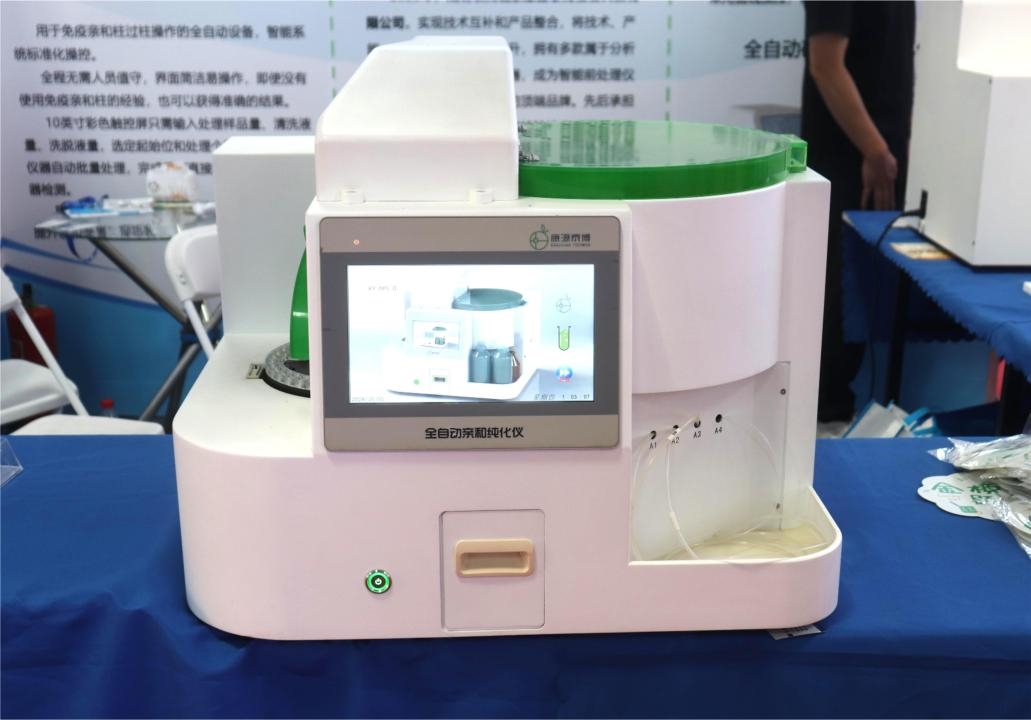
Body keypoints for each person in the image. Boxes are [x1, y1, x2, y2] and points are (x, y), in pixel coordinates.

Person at [800, 0, 915, 422]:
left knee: (865, 294)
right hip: (851, 161)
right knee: (837, 294)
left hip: (882, 158)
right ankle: (823, 419)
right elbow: (825, 65)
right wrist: (874, 149)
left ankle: (839, 412)